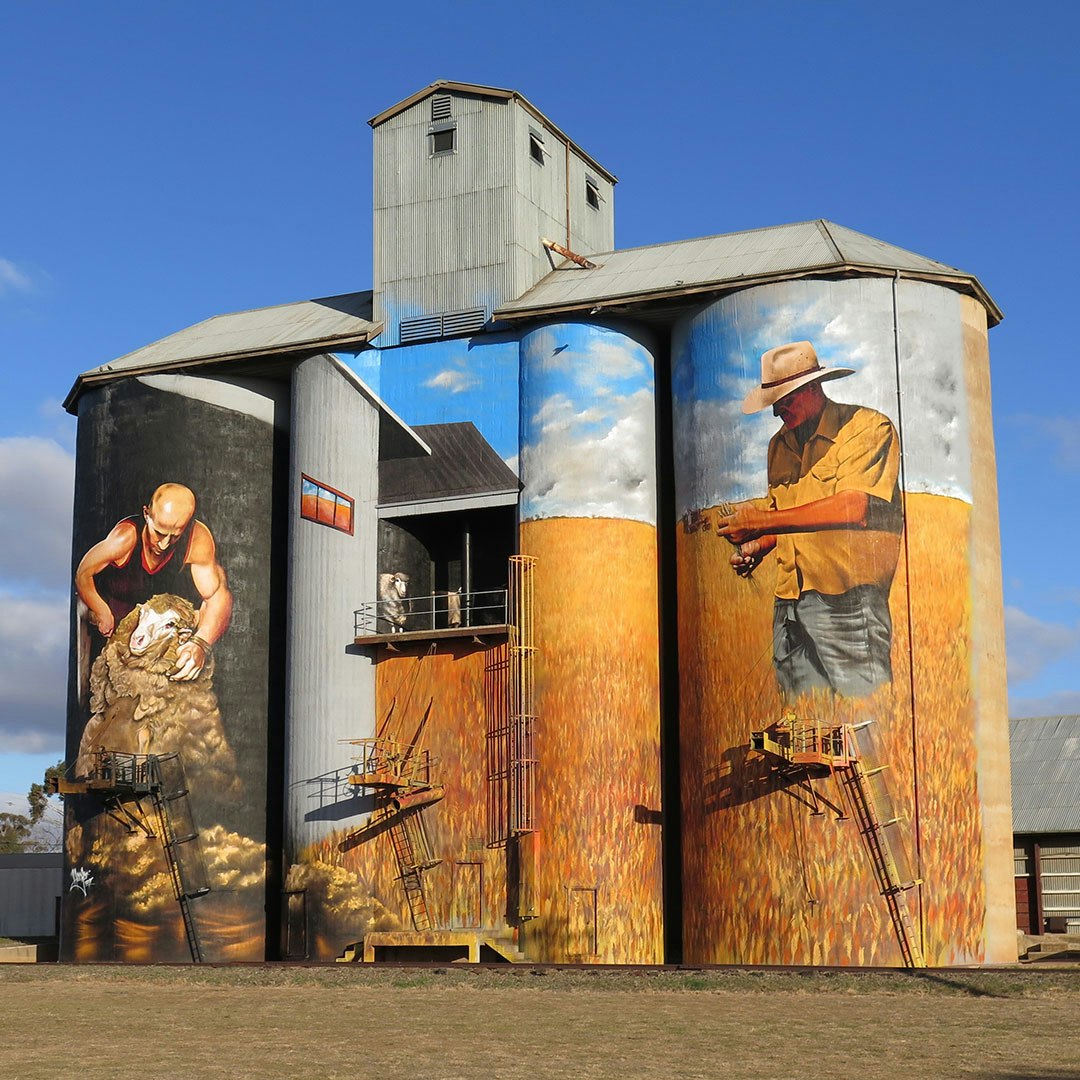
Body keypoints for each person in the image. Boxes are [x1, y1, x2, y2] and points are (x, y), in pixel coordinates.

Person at [716, 341, 902, 699]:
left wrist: (761, 523)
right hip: (788, 602)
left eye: (786, 399)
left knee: (866, 715)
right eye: (774, 402)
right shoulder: (779, 445)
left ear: (814, 387)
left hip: (848, 601)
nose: (777, 412)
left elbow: (853, 509)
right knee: (802, 727)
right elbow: (786, 518)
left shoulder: (866, 428)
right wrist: (760, 546)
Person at [74, 482, 232, 681]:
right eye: (159, 533)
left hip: (156, 629)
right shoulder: (125, 538)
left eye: (175, 536)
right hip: (109, 623)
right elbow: (83, 573)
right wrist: (101, 609)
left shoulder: (197, 539)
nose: (164, 544)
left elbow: (217, 596)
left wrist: (201, 642)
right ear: (147, 514)